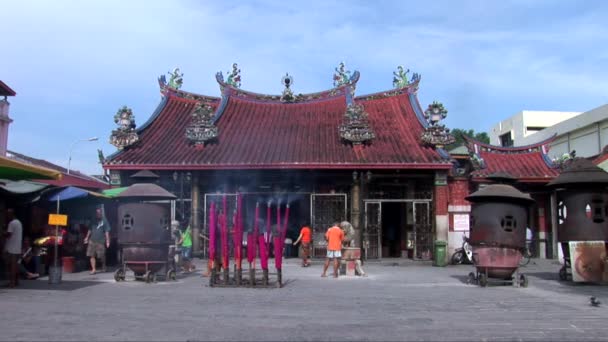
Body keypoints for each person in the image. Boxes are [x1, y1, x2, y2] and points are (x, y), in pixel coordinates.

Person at [84, 208, 111, 275]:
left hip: (101, 241)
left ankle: (104, 266)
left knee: (101, 256)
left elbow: (107, 231)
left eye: (99, 213)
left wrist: (107, 241)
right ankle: (93, 269)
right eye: (97, 213)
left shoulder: (104, 220)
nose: (98, 214)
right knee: (91, 255)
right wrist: (87, 237)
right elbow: (90, 229)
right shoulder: (93, 220)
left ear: (101, 213)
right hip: (92, 241)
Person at [3, 209, 23, 287]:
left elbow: (9, 234)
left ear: (11, 214)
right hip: (17, 247)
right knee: (16, 266)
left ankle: (12, 282)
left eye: (8, 214)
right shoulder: (19, 222)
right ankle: (16, 281)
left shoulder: (11, 223)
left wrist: (3, 232)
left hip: (11, 248)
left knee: (12, 266)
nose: (7, 216)